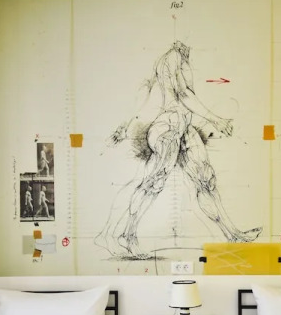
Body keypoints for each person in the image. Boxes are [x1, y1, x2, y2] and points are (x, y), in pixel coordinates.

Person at [96, 41, 261, 258]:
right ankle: (128, 235)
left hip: (184, 129)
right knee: (153, 182)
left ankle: (232, 235)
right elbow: (183, 94)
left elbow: (146, 94)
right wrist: (216, 120)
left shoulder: (181, 59)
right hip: (168, 128)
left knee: (206, 181)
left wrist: (124, 126)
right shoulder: (172, 57)